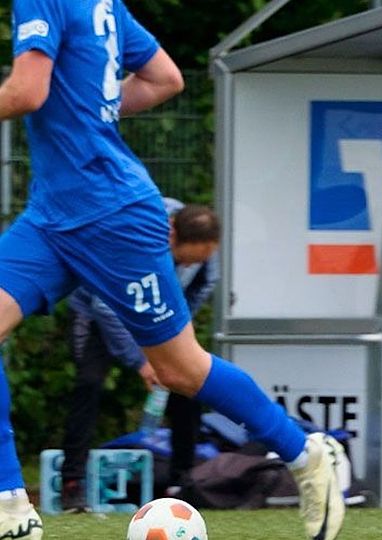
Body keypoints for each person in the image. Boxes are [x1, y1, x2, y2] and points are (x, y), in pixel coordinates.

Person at [0, 0, 343, 538]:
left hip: (112, 214)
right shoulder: (104, 4)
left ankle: (305, 453)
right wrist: (89, 111)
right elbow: (165, 79)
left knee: (182, 370)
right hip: (51, 214)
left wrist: (84, 113)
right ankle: (10, 504)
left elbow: (26, 92)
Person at [60, 199, 218, 512]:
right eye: (186, 261)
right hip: (96, 310)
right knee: (89, 383)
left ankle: (182, 481)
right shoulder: (138, 240)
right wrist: (142, 362)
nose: (190, 267)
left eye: (197, 262)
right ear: (172, 239)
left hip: (156, 312)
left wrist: (173, 334)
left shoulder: (202, 241)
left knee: (187, 382)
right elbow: (106, 306)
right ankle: (72, 483)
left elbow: (203, 286)